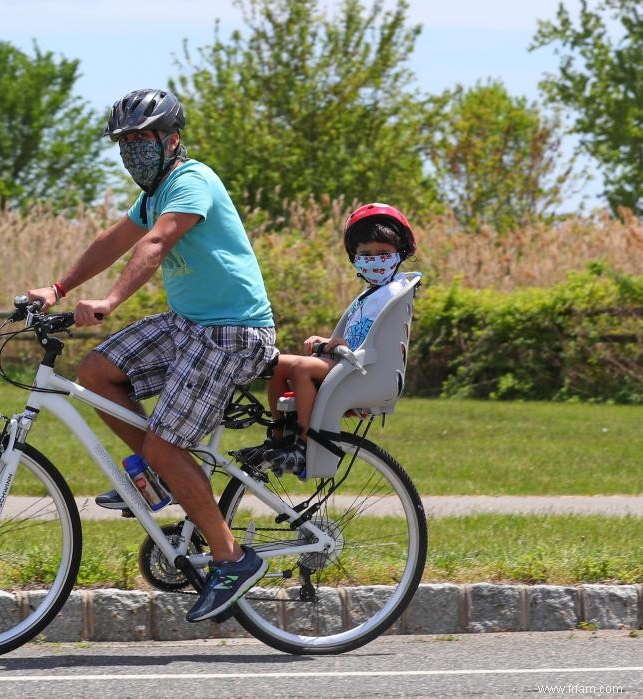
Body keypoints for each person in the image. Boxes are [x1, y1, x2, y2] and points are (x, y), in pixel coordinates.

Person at [28, 88, 278, 622]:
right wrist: (57, 288)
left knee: (167, 446)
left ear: (172, 140)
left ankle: (230, 556)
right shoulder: (153, 193)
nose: (132, 149)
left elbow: (154, 246)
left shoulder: (192, 181)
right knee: (97, 371)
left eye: (142, 138)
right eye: (125, 142)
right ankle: (165, 478)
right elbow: (114, 241)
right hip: (190, 326)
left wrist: (111, 301)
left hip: (232, 332)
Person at [234, 203, 418, 476]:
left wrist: (342, 346)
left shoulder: (396, 291)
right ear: (354, 258)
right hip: (351, 363)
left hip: (367, 370)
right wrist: (332, 342)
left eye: (383, 254)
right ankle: (281, 438)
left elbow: (379, 340)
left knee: (302, 368)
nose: (375, 261)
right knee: (276, 364)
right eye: (366, 255)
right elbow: (353, 336)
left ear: (400, 253)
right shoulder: (368, 296)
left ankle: (304, 446)